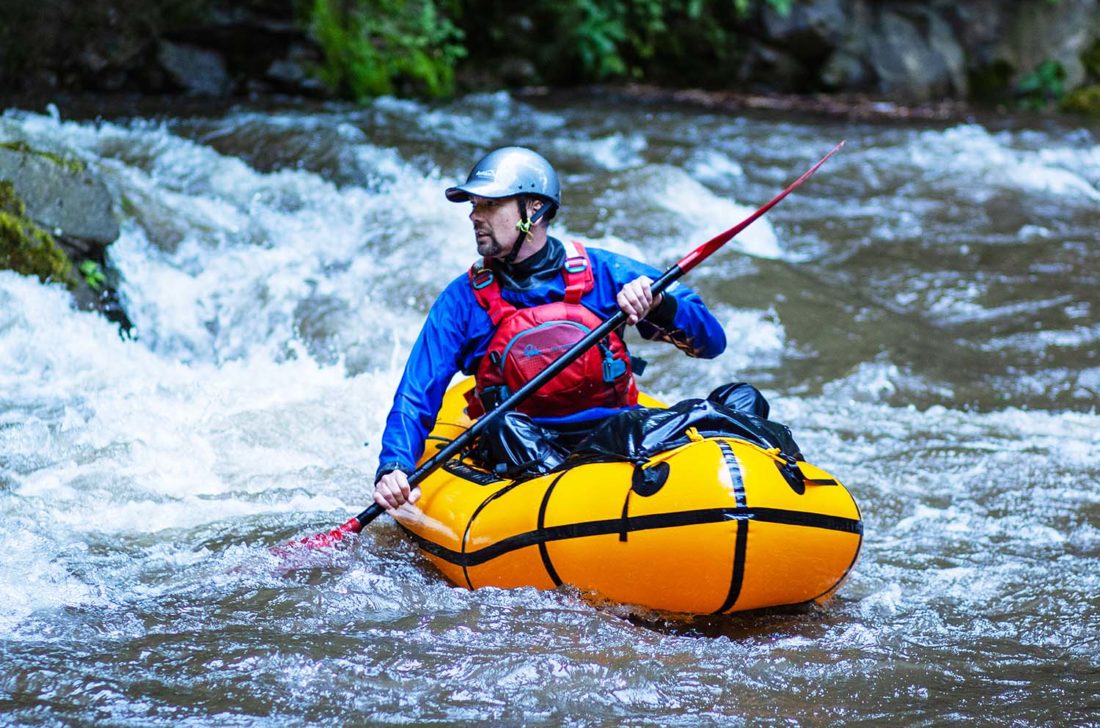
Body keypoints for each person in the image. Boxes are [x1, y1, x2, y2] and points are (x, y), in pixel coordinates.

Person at [372, 146, 771, 511]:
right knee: (499, 425)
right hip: (522, 444)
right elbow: (417, 392)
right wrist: (394, 465)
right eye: (475, 205)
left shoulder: (604, 272)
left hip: (615, 432)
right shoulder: (462, 301)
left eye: (490, 204)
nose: (475, 215)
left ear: (534, 209)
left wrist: (659, 305)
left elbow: (711, 342)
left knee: (740, 400)